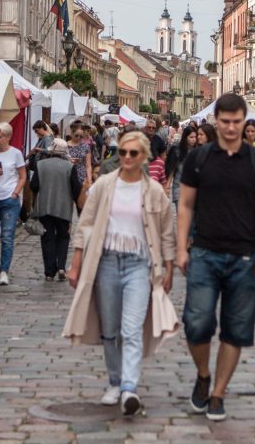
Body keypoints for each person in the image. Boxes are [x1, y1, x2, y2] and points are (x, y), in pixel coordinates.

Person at [63, 131, 177, 417]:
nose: (126, 157)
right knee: (110, 329)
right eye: (123, 152)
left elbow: (166, 232)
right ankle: (115, 381)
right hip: (107, 263)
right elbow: (85, 225)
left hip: (139, 264)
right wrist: (76, 264)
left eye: (133, 153)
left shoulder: (153, 191)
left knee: (131, 328)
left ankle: (129, 388)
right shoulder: (103, 185)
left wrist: (169, 267)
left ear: (144, 157)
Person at [176, 93, 255, 421]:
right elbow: (186, 204)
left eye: (237, 122)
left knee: (236, 328)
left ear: (244, 121)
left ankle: (218, 393)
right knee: (196, 322)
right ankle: (203, 374)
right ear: (216, 122)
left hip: (244, 256)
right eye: (225, 122)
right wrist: (180, 247)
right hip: (205, 251)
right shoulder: (199, 159)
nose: (231, 128)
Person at [31, 138, 82, 282]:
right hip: (63, 207)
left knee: (47, 238)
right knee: (63, 236)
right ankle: (61, 266)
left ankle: (49, 272)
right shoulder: (69, 166)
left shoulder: (40, 165)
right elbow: (76, 189)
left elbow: (33, 186)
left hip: (45, 206)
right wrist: (78, 208)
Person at [0, 122, 27, 286]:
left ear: (8, 137)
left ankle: (4, 271)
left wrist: (16, 193)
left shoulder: (16, 154)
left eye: (0, 137)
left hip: (9, 199)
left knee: (7, 237)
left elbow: (22, 176)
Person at [67, 120, 94, 189]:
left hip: (81, 175)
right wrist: (69, 160)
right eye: (76, 135)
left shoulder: (86, 146)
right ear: (72, 134)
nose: (78, 138)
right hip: (67, 174)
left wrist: (89, 179)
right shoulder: (65, 145)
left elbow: (88, 165)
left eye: (81, 136)